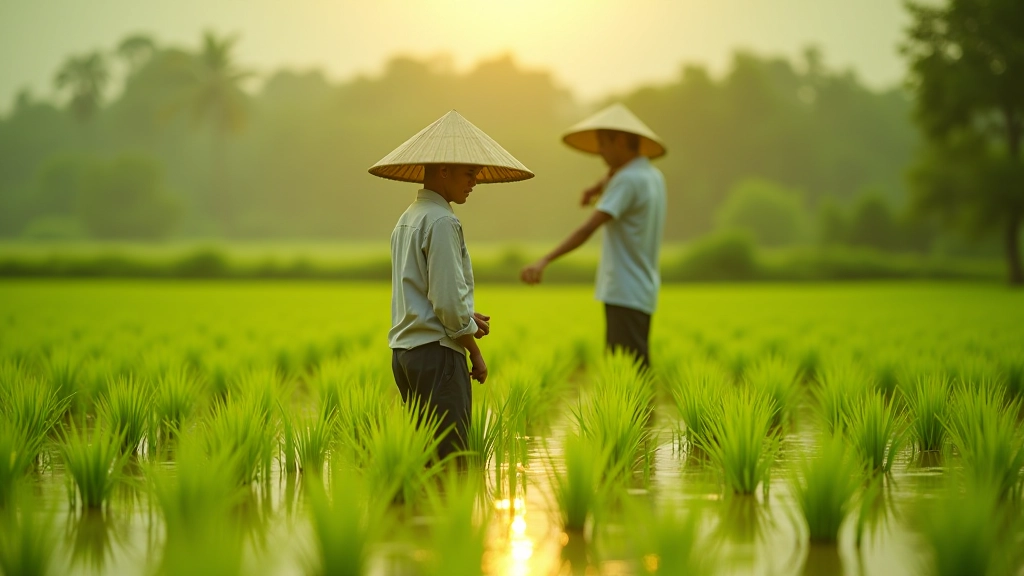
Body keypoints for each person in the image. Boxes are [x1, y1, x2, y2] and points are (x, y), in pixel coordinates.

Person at [369, 109, 534, 461]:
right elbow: (445, 301)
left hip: (405, 355)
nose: (475, 181)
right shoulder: (442, 221)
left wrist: (466, 316)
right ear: (443, 171)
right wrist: (473, 348)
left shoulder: (408, 218)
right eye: (469, 173)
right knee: (450, 462)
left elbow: (423, 290)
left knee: (423, 457)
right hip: (437, 355)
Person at [520, 103, 666, 370]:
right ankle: (643, 412)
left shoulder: (627, 181)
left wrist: (545, 260)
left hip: (624, 289)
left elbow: (587, 228)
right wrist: (597, 186)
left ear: (620, 140)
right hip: (642, 289)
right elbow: (616, 172)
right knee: (635, 366)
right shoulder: (652, 176)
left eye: (603, 144)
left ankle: (639, 413)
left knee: (626, 372)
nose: (600, 152)